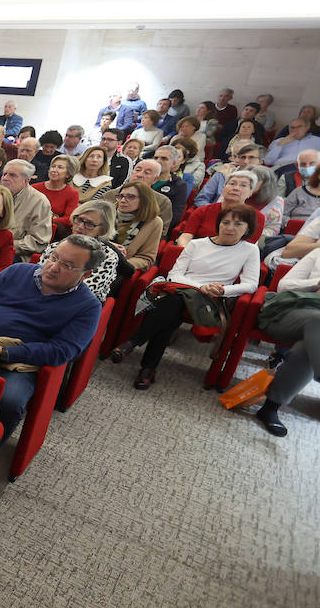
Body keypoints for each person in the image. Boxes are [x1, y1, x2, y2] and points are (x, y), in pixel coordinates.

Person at [0, 237, 104, 436]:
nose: (53, 267)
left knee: (9, 401)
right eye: (54, 257)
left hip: (18, 364)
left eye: (67, 265)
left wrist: (4, 353)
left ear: (86, 274)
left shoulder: (88, 306)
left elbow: (63, 350)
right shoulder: (19, 271)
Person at [115, 205, 262, 388]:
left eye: (238, 224)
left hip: (210, 299)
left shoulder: (249, 250)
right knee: (173, 305)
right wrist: (201, 286)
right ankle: (147, 368)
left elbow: (251, 284)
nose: (230, 227)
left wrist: (224, 290)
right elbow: (174, 275)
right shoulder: (197, 244)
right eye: (225, 222)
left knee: (170, 307)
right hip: (182, 289)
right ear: (218, 224)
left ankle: (133, 344)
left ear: (247, 229)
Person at [253, 247, 320, 436]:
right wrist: (316, 283)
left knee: (307, 346)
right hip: (289, 314)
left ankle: (270, 408)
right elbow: (284, 286)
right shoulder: (318, 253)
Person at [44, 200, 119, 301]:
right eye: (79, 219)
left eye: (89, 224)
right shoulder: (56, 246)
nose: (80, 226)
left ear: (103, 230)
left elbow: (86, 291)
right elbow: (38, 277)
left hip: (77, 307)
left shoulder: (108, 257)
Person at [176, 169, 265, 245]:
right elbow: (186, 236)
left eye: (243, 185)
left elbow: (247, 246)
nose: (236, 188)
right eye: (232, 183)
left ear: (250, 192)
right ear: (223, 188)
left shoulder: (257, 217)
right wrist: (186, 251)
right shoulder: (203, 211)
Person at [1, 160, 54, 260]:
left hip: (16, 253)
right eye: (4, 174)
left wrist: (3, 245)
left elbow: (38, 242)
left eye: (12, 175)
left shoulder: (39, 202)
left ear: (26, 180)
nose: (5, 178)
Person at [109, 181, 164, 272]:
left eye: (130, 197)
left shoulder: (154, 222)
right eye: (121, 196)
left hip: (119, 268)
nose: (122, 200)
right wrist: (110, 245)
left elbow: (146, 258)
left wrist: (121, 264)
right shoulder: (107, 212)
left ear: (144, 200)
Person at [33, 154, 81, 220]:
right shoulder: (34, 188)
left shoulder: (72, 194)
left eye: (60, 167)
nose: (54, 170)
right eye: (53, 166)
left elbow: (68, 219)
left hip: (54, 228)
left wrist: (47, 222)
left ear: (68, 174)